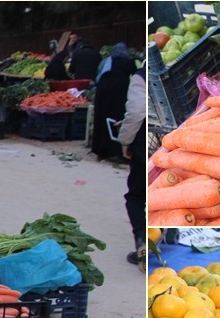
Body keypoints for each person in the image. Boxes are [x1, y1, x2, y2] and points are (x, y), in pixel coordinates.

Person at [119, 64, 147, 271]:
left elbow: (137, 112)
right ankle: (167, 239)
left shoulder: (140, 77)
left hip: (145, 144)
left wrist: (125, 141)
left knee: (136, 196)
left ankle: (142, 241)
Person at [91, 42, 136, 162]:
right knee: (116, 120)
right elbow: (135, 76)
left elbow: (98, 75)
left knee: (101, 119)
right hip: (118, 93)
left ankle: (100, 151)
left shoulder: (106, 61)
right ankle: (115, 152)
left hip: (102, 92)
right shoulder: (129, 62)